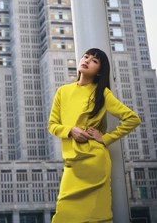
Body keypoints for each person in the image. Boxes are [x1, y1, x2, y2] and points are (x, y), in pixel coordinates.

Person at [48, 48, 141, 223]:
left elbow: (132, 119)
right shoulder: (63, 91)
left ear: (99, 71)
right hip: (72, 163)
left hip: (94, 160)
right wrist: (71, 130)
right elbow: (52, 125)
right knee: (63, 214)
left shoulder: (102, 93)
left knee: (98, 215)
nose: (87, 60)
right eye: (86, 56)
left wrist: (105, 138)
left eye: (95, 61)